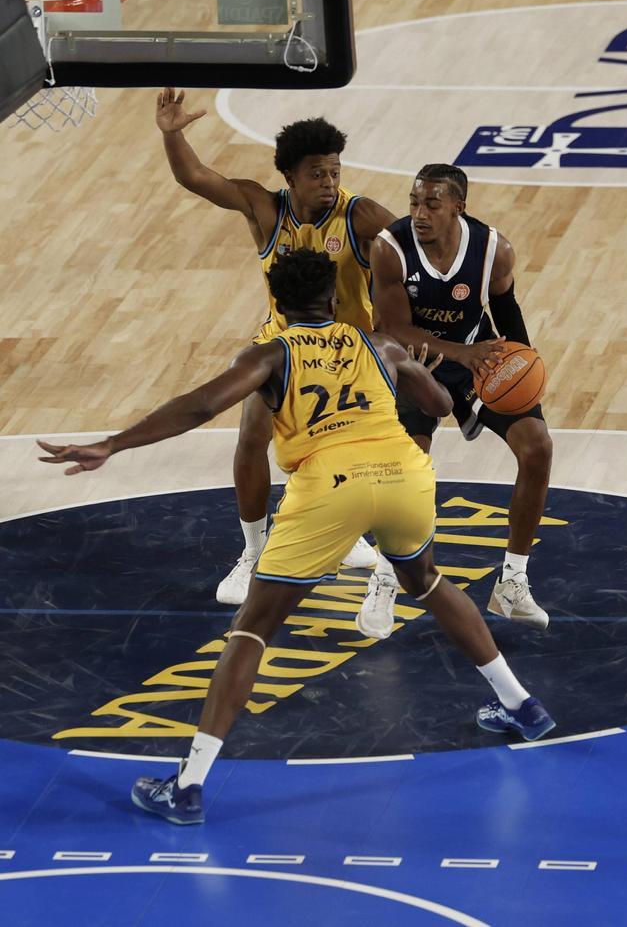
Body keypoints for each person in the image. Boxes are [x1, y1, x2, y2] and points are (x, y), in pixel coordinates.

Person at [38, 248, 556, 826]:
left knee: (253, 629)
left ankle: (186, 786)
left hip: (329, 485)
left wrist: (113, 443)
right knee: (426, 580)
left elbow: (200, 405)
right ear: (335, 300)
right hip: (404, 474)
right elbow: (435, 405)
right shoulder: (379, 343)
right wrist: (422, 377)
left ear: (280, 307)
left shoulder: (269, 353)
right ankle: (523, 705)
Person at [156, 88, 396, 603]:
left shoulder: (361, 216)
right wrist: (173, 136)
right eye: (317, 173)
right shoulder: (264, 208)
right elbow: (195, 178)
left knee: (341, 449)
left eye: (334, 171)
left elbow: (414, 252)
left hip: (347, 354)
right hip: (281, 345)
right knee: (251, 439)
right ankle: (255, 550)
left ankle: (347, 530)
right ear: (290, 177)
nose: (329, 182)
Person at [357, 163, 553, 641]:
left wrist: (524, 367)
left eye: (432, 204)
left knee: (538, 446)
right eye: (414, 202)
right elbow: (393, 328)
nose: (419, 213)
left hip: (475, 353)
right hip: (413, 359)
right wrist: (461, 354)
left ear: (458, 207)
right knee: (407, 465)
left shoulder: (492, 250)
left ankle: (512, 580)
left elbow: (506, 313)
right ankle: (384, 579)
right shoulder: (390, 248)